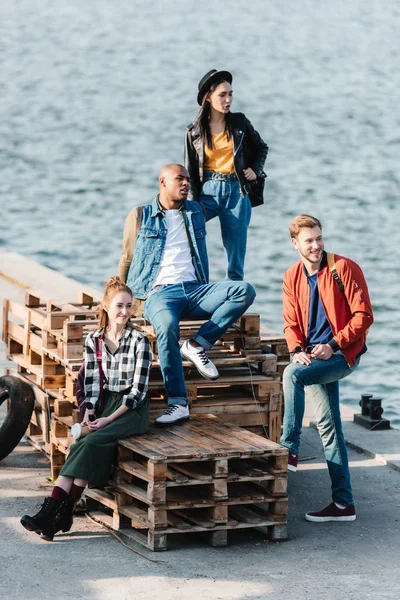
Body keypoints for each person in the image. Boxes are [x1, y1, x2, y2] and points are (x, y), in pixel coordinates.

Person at [117, 163, 256, 425]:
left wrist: (249, 173)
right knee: (167, 324)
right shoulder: (139, 215)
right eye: (179, 179)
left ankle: (195, 345)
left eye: (188, 180)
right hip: (159, 294)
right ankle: (178, 403)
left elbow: (229, 202)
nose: (185, 184)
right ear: (162, 182)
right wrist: (116, 301)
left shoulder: (195, 211)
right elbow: (126, 258)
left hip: (196, 290)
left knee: (243, 290)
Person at [20, 277, 152, 541]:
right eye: (119, 306)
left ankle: (52, 512)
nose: (125, 312)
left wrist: (106, 420)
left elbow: (138, 391)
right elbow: (91, 382)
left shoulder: (140, 341)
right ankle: (60, 515)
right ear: (106, 306)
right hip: (105, 406)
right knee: (84, 442)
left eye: (129, 306)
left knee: (89, 444)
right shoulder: (95, 340)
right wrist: (90, 413)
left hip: (130, 410)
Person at [280, 214, 373, 522]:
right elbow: (291, 323)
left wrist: (332, 345)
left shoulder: (343, 268)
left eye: (319, 238)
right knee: (329, 427)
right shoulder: (292, 276)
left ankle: (288, 447)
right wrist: (296, 350)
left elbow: (364, 316)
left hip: (341, 354)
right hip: (312, 356)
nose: (316, 246)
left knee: (292, 376)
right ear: (296, 244)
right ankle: (344, 504)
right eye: (309, 241)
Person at [184, 69, 268, 281]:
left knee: (235, 252)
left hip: (236, 192)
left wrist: (254, 170)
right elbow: (191, 171)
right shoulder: (194, 131)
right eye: (223, 95)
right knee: (190, 232)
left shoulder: (239, 122)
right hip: (207, 191)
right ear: (208, 97)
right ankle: (199, 286)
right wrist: (192, 204)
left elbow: (261, 148)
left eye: (230, 94)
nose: (228, 99)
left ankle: (234, 297)